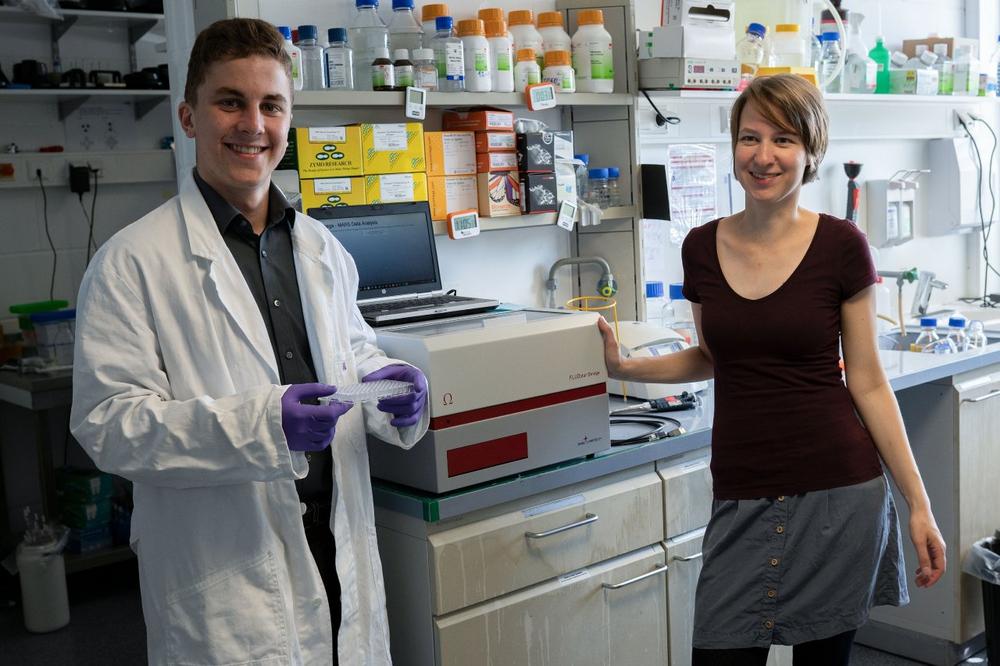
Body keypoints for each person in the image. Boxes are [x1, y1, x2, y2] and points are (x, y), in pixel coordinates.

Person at [70, 18, 428, 665]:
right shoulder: (132, 262)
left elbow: (353, 353)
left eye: (272, 105)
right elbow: (109, 424)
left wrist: (389, 388)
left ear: (289, 120)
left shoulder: (322, 248)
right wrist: (261, 426)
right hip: (227, 571)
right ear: (189, 116)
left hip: (338, 545)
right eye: (230, 102)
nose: (253, 125)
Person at [599, 74, 946, 665]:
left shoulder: (841, 245)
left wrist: (919, 504)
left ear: (810, 152)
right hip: (742, 490)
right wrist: (624, 365)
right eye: (749, 138)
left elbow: (867, 381)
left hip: (838, 494)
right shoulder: (700, 247)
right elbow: (715, 357)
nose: (763, 156)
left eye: (783, 139)